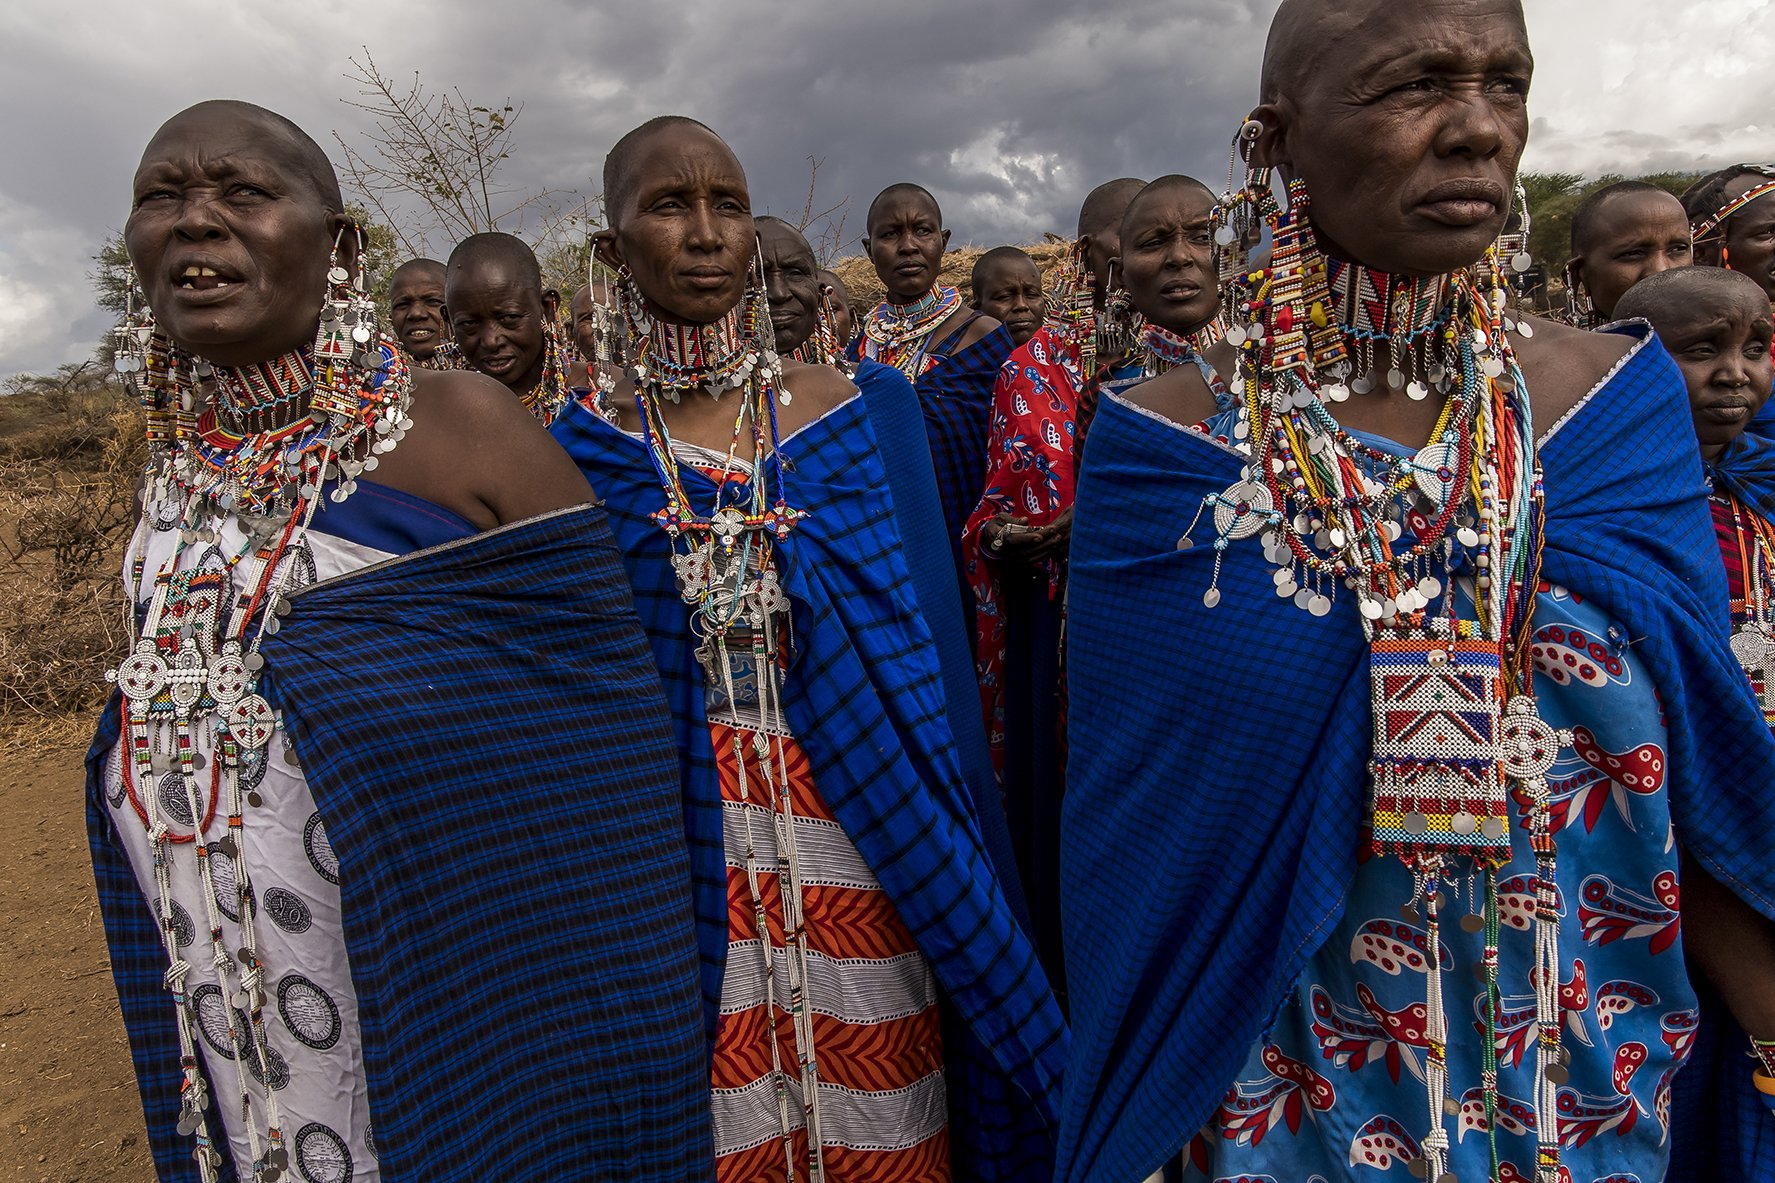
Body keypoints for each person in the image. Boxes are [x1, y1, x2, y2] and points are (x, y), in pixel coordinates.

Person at [1056, 4, 1775, 1183]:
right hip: (1284, 1099)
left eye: (1506, 85)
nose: (1476, 130)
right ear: (1271, 141)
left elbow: (1704, 763)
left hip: (1581, 1086)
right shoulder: (1163, 448)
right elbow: (1145, 841)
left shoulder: (1615, 408)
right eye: (1414, 87)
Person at [93, 100, 710, 1183]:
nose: (196, 222)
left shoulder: (462, 429)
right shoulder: (171, 483)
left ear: (338, 249)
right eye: (162, 196)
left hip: (447, 997)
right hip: (232, 988)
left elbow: (594, 765)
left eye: (242, 192)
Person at [550, 115, 1065, 1183]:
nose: (701, 233)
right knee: (725, 1098)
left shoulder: (845, 415)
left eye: (724, 206)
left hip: (861, 809)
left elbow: (915, 654)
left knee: (888, 1068)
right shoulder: (577, 456)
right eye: (666, 207)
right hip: (684, 829)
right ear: (611, 252)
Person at [961, 174, 1223, 1000]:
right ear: (1094, 257)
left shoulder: (1271, 362)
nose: (1177, 259)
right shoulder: (1044, 364)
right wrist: (1042, 530)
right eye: (1143, 239)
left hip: (1234, 659)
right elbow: (1010, 506)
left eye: (1198, 236)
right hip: (1088, 656)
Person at [1614, 265, 1775, 1182]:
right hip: (1673, 848)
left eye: (1755, 348)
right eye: (1700, 349)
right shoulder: (1615, 516)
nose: (1734, 373)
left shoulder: (1757, 498)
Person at [852, 183, 1017, 628]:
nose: (908, 246)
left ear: (942, 242)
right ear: (869, 249)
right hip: (881, 540)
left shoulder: (983, 337)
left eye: (922, 230)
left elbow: (1009, 449)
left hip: (961, 533)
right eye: (890, 234)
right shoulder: (854, 352)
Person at [444, 231, 578, 425]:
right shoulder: (445, 414)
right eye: (469, 324)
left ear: (547, 308)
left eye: (509, 318)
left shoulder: (600, 392)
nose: (491, 341)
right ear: (449, 322)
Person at [1563, 181, 1692, 326]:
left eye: (1678, 249)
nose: (1661, 270)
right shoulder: (1562, 348)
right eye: (1633, 253)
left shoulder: (1717, 338)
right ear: (1578, 274)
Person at [970, 246, 1046, 348]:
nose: (1021, 305)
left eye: (1032, 294)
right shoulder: (962, 361)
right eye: (1004, 296)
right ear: (976, 307)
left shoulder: (1064, 357)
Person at [386, 257, 454, 367]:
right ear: (391, 319)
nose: (416, 313)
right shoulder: (382, 379)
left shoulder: (487, 369)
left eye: (433, 301)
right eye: (402, 304)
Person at [570, 273, 625, 397]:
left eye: (613, 318)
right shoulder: (561, 390)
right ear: (571, 331)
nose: (604, 329)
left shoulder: (647, 382)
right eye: (591, 318)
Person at [818, 267, 856, 352]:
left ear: (851, 317)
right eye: (812, 313)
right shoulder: (783, 363)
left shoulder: (870, 355)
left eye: (832, 311)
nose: (822, 322)